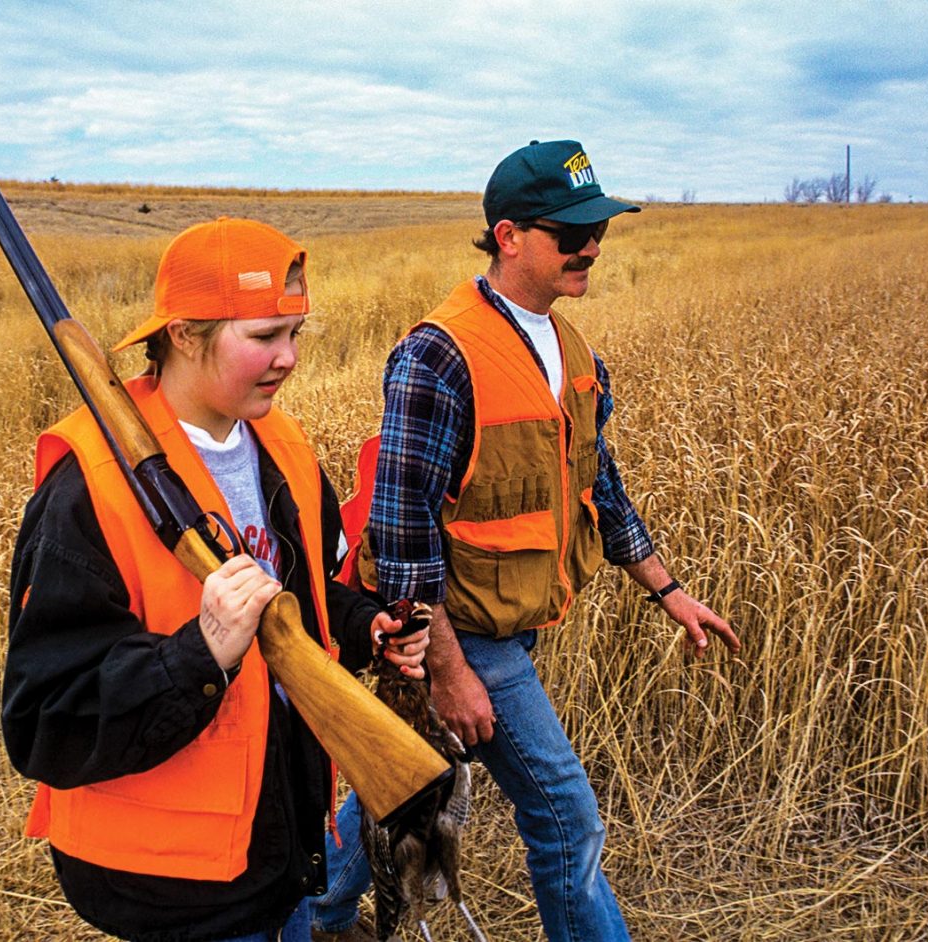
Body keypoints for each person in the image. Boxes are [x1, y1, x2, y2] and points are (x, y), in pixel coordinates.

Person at [312, 141, 741, 941]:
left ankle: (314, 916)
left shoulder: (573, 352)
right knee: (566, 816)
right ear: (507, 236)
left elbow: (598, 488)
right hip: (462, 630)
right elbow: (403, 539)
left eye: (598, 228)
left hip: (508, 620)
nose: (591, 246)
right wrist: (447, 670)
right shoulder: (438, 356)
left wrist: (670, 591)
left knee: (405, 771)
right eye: (569, 231)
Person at [1, 217, 429, 942]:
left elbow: (308, 595)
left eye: (297, 333)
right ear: (184, 335)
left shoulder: (283, 446)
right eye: (264, 337)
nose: (289, 358)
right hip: (175, 883)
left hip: (284, 843)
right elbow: (46, 720)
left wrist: (366, 627)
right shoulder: (90, 487)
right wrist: (200, 652)